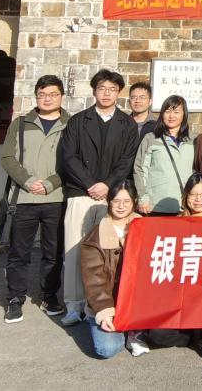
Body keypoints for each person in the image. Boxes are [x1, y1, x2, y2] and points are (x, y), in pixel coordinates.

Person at [60, 69, 139, 326]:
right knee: (75, 249)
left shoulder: (127, 124)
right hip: (81, 192)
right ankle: (74, 305)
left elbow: (127, 160)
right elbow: (69, 157)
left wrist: (107, 185)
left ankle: (102, 304)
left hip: (112, 197)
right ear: (94, 91)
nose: (107, 93)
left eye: (112, 89)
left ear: (119, 93)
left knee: (108, 250)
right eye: (102, 88)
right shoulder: (78, 121)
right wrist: (90, 183)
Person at [1, 75, 69, 324]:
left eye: (52, 94)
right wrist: (28, 181)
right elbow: (7, 158)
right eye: (42, 94)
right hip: (24, 198)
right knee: (19, 253)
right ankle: (14, 299)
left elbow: (73, 161)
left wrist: (51, 183)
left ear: (62, 96)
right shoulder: (20, 124)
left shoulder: (71, 125)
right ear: (36, 96)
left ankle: (49, 296)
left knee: (53, 253)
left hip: (56, 198)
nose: (47, 99)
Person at [149, 174, 202, 357]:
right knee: (157, 336)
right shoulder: (172, 225)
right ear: (185, 196)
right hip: (178, 295)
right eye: (193, 194)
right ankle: (190, 336)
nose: (198, 199)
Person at [80, 179, 147, 358]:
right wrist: (105, 312)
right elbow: (94, 280)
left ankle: (134, 328)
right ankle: (99, 320)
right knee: (107, 348)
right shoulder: (94, 237)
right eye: (116, 201)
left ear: (134, 202)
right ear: (108, 202)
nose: (121, 206)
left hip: (136, 302)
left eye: (126, 201)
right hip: (108, 303)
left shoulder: (146, 228)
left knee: (164, 335)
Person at [133, 95, 195, 216]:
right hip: (155, 204)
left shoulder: (192, 140)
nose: (171, 116)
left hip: (184, 205)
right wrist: (142, 198)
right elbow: (140, 169)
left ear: (184, 115)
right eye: (167, 112)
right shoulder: (151, 138)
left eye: (176, 112)